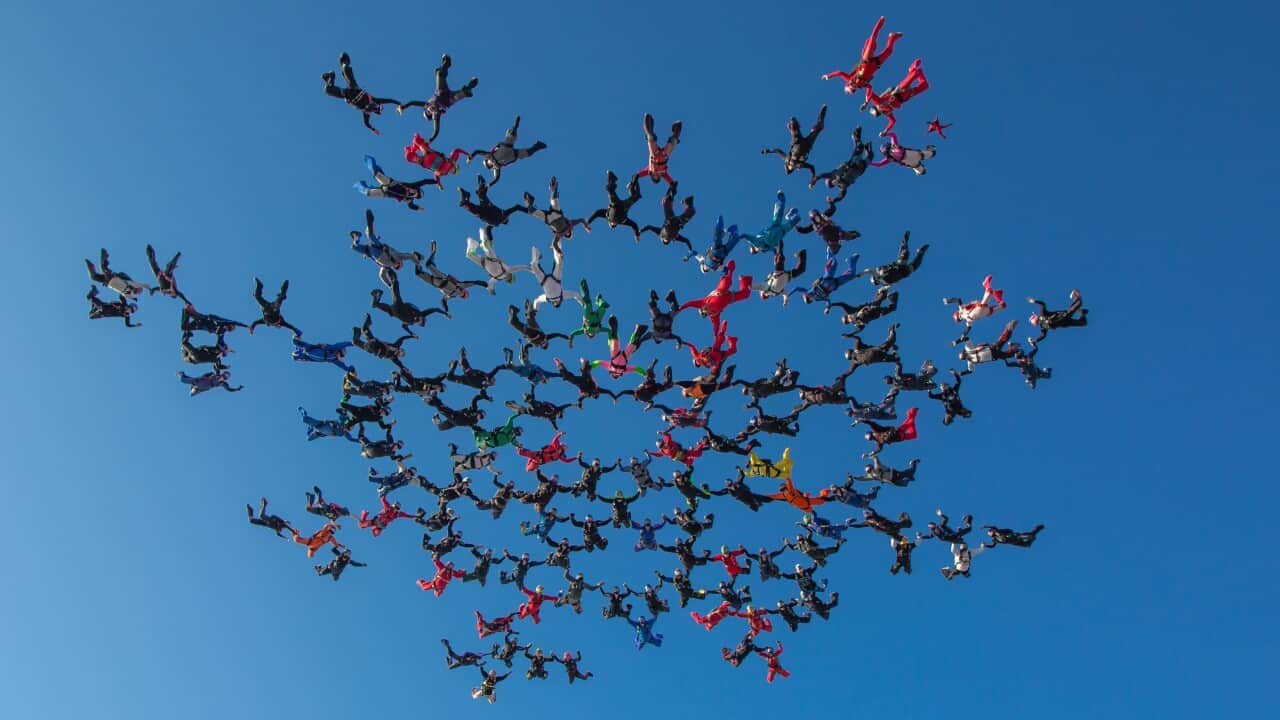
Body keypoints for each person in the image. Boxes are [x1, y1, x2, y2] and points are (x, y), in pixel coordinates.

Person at [398, 53, 478, 142]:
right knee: (463, 92)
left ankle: (446, 64)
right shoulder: (435, 115)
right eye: (429, 113)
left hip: (441, 92)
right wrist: (430, 139)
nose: (430, 111)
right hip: (449, 99)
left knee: (440, 74)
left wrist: (403, 107)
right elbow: (436, 130)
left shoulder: (427, 105)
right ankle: (470, 86)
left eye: (428, 112)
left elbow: (413, 103)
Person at [821, 16, 903, 95]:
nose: (853, 86)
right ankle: (892, 37)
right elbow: (870, 88)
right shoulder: (862, 85)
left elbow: (839, 73)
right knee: (889, 52)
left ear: (848, 84)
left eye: (851, 86)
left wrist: (828, 76)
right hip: (875, 64)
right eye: (853, 89)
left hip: (866, 60)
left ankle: (880, 21)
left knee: (872, 39)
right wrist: (866, 101)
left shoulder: (849, 78)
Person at [322, 52, 398, 135]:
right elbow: (390, 100)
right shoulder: (374, 100)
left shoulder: (366, 112)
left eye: (377, 108)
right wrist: (400, 104)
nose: (375, 106)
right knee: (347, 73)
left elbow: (366, 124)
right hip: (353, 88)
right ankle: (344, 63)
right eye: (377, 106)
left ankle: (331, 76)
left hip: (346, 94)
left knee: (327, 90)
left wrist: (373, 129)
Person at [413, 239, 488, 310]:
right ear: (464, 291)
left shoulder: (451, 296)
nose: (462, 294)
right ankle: (433, 251)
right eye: (464, 294)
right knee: (428, 265)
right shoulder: (460, 286)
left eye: (463, 296)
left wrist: (446, 311)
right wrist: (486, 285)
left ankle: (418, 260)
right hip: (442, 278)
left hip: (435, 284)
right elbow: (475, 282)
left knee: (418, 273)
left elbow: (443, 301)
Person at [471, 115, 547, 185]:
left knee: (512, 135)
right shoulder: (496, 167)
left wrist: (471, 156)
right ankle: (537, 145)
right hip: (513, 154)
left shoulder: (490, 156)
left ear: (487, 161)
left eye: (488, 163)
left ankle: (515, 126)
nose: (489, 163)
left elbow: (478, 152)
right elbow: (496, 178)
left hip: (506, 147)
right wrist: (489, 185)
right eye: (488, 165)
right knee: (528, 153)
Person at [862, 58, 929, 136]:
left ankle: (912, 69)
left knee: (914, 74)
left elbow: (870, 92)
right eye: (877, 113)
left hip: (900, 90)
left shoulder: (878, 102)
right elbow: (893, 121)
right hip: (906, 96)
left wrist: (866, 103)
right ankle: (916, 71)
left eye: (876, 110)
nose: (879, 111)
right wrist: (885, 131)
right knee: (925, 85)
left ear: (875, 107)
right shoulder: (886, 112)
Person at [760, 105, 827, 183]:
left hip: (798, 143)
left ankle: (793, 124)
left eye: (789, 166)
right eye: (790, 167)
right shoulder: (798, 165)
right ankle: (822, 111)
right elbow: (812, 167)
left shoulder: (787, 159)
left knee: (794, 126)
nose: (790, 166)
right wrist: (812, 179)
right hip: (806, 145)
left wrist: (768, 151)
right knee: (819, 127)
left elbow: (777, 151)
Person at [812, 126, 875, 201]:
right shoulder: (841, 185)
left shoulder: (833, 175)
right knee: (870, 156)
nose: (833, 181)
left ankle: (855, 136)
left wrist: (813, 181)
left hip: (854, 164)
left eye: (831, 181)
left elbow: (820, 176)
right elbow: (841, 195)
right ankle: (865, 148)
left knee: (860, 147)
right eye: (832, 183)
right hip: (860, 168)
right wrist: (834, 201)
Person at [354, 155, 438, 212]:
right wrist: (436, 181)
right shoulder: (413, 186)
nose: (415, 194)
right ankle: (369, 159)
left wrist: (419, 208)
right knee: (376, 174)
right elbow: (424, 182)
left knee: (368, 193)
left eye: (417, 196)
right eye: (417, 192)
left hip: (385, 193)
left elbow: (411, 206)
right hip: (389, 184)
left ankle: (359, 184)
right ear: (418, 190)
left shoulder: (409, 199)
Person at [371, 275, 448, 334]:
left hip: (392, 311)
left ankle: (378, 295)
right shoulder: (422, 314)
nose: (420, 320)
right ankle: (393, 280)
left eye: (420, 322)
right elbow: (434, 309)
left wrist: (411, 333)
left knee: (375, 305)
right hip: (399, 305)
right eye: (422, 320)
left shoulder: (411, 323)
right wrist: (445, 313)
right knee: (395, 291)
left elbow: (403, 326)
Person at [943, 275, 1007, 345]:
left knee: (998, 302)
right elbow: (958, 300)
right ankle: (993, 291)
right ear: (958, 315)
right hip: (980, 311)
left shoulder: (965, 317)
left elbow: (965, 332)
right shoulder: (963, 313)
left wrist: (956, 341)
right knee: (997, 301)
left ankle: (991, 290)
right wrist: (948, 301)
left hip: (982, 311)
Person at [524, 176, 591, 243]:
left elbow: (554, 244)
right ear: (570, 231)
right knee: (554, 199)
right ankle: (553, 189)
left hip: (549, 219)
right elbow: (581, 220)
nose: (566, 233)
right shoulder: (570, 224)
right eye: (568, 233)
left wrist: (558, 250)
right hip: (557, 214)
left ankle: (530, 201)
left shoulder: (559, 235)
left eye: (566, 235)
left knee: (531, 211)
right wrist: (586, 226)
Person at [680, 259, 752, 321]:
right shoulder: (714, 314)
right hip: (729, 298)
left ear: (702, 308)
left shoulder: (702, 302)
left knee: (728, 282)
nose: (707, 312)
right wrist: (716, 335)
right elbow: (716, 324)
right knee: (745, 295)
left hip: (721, 289)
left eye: (704, 312)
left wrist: (679, 309)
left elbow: (689, 304)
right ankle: (743, 279)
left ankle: (729, 270)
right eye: (706, 314)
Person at [465, 226, 530, 293]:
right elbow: (520, 267)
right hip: (492, 258)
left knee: (469, 255)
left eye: (507, 281)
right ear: (511, 276)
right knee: (486, 245)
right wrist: (530, 269)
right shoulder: (509, 270)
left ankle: (473, 243)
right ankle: (482, 233)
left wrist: (491, 290)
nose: (507, 280)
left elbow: (490, 284)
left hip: (484, 263)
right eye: (509, 279)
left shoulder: (497, 279)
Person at [639, 181, 697, 253]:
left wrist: (640, 231)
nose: (667, 240)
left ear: (662, 239)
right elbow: (686, 241)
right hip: (678, 222)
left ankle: (672, 191)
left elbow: (649, 227)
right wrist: (690, 250)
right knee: (692, 212)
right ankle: (688, 202)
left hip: (669, 219)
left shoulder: (660, 232)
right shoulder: (675, 237)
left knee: (665, 202)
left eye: (665, 240)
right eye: (667, 241)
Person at [586, 170, 644, 241]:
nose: (613, 223)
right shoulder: (623, 222)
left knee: (610, 190)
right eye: (614, 225)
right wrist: (637, 235)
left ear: (609, 222)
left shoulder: (607, 215)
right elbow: (634, 225)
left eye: (611, 224)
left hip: (615, 204)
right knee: (637, 196)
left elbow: (597, 213)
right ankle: (633, 183)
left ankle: (612, 177)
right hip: (623, 207)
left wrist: (587, 222)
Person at [790, 248, 859, 306]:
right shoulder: (817, 299)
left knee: (834, 262)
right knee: (851, 275)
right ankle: (852, 260)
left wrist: (788, 295)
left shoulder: (807, 292)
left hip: (827, 278)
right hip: (835, 284)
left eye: (807, 298)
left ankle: (829, 254)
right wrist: (828, 307)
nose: (810, 298)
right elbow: (827, 300)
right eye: (810, 300)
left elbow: (796, 288)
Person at [527, 237, 582, 309]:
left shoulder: (548, 299)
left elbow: (537, 300)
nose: (556, 302)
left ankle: (538, 256)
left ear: (552, 304)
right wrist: (583, 303)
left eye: (555, 304)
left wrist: (534, 311)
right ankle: (557, 243)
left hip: (544, 281)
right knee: (559, 262)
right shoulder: (562, 296)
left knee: (533, 266)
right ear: (560, 302)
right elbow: (575, 294)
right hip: (556, 279)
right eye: (558, 303)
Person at [458, 174, 528, 231]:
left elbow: (516, 207)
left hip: (484, 211)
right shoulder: (500, 219)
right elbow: (516, 207)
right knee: (480, 196)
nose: (506, 218)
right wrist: (527, 210)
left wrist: (527, 210)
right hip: (485, 209)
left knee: (476, 200)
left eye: (506, 219)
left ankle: (466, 196)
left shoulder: (502, 217)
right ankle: (480, 185)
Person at [860, 230, 929, 286]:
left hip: (900, 268)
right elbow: (869, 272)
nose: (878, 281)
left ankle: (914, 248)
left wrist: (860, 274)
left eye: (876, 280)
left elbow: (869, 271)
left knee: (907, 256)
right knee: (913, 262)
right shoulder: (884, 280)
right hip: (903, 271)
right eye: (877, 282)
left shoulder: (880, 273)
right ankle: (919, 251)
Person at [742, 190, 801, 255]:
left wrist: (741, 236)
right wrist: (776, 254)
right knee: (796, 218)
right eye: (755, 251)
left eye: (754, 248)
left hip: (773, 227)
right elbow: (773, 249)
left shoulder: (757, 241)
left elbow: (749, 238)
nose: (756, 248)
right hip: (781, 231)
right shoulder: (766, 248)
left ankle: (781, 199)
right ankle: (790, 215)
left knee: (779, 211)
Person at [591, 315, 650, 379]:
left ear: (611, 374)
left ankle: (614, 329)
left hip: (615, 356)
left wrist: (590, 366)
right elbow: (635, 369)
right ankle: (639, 332)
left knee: (615, 343)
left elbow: (599, 362)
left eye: (613, 375)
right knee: (632, 346)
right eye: (616, 376)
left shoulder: (609, 367)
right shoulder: (624, 371)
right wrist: (644, 373)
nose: (616, 375)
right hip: (624, 357)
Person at [795, 202, 860, 254]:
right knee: (834, 252)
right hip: (830, 240)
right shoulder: (813, 226)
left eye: (817, 216)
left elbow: (832, 209)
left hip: (837, 232)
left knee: (850, 236)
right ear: (813, 219)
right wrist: (795, 226)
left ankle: (854, 234)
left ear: (819, 215)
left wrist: (831, 203)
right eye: (815, 218)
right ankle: (840, 242)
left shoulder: (824, 216)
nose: (817, 218)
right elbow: (804, 230)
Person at [554, 357, 621, 407]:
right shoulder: (597, 389)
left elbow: (580, 399)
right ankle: (584, 363)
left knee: (567, 377)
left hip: (579, 382)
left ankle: (559, 364)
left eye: (593, 395)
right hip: (586, 378)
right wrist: (614, 398)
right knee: (586, 369)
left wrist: (580, 405)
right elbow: (608, 392)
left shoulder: (587, 394)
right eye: (595, 394)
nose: (594, 394)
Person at [636, 112, 682, 184]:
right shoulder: (663, 174)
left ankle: (648, 120)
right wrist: (672, 184)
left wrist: (636, 177)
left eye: (655, 177)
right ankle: (676, 131)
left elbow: (640, 174)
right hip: (664, 155)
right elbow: (669, 179)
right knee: (673, 141)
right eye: (658, 177)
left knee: (650, 138)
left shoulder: (649, 171)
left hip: (654, 155)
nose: (657, 175)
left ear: (652, 176)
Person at [85, 248, 149, 297]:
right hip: (112, 278)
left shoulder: (127, 293)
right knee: (102, 267)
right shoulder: (131, 283)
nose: (135, 292)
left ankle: (90, 265)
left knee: (93, 277)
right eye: (136, 290)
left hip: (108, 283)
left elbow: (121, 294)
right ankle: (105, 254)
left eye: (136, 292)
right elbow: (123, 276)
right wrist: (148, 288)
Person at [829, 286, 898, 332]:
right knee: (886, 307)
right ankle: (887, 294)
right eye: (848, 322)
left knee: (879, 301)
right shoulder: (856, 323)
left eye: (847, 319)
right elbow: (859, 329)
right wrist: (850, 334)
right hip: (875, 314)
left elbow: (842, 304)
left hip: (870, 308)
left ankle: (883, 292)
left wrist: (831, 305)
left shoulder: (850, 312)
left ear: (847, 316)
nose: (849, 320)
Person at [403, 134, 469, 179]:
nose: (451, 170)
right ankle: (413, 147)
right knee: (418, 142)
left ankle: (410, 149)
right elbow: (457, 150)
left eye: (453, 172)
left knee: (414, 155)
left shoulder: (444, 173)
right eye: (454, 170)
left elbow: (436, 176)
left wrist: (439, 184)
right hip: (429, 155)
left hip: (427, 161)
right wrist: (468, 155)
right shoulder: (451, 162)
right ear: (454, 166)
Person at [871, 132, 936, 175]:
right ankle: (930, 152)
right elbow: (893, 135)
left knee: (921, 170)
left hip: (912, 162)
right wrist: (885, 134)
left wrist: (868, 162)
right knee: (928, 154)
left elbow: (879, 164)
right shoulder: (894, 147)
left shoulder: (889, 157)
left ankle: (920, 169)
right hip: (914, 155)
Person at [177, 369, 241, 395]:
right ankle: (182, 375)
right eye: (223, 376)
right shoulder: (216, 375)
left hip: (205, 387)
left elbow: (229, 389)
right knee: (184, 380)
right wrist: (202, 377)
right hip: (202, 381)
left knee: (191, 394)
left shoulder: (223, 383)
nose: (222, 378)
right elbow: (207, 374)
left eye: (224, 378)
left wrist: (237, 389)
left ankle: (195, 388)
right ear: (222, 374)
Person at [981, 524, 1045, 549]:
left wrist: (985, 527)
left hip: (1014, 536)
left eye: (990, 532)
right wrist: (986, 545)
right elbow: (992, 546)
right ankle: (1033, 537)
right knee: (1027, 545)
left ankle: (1036, 529)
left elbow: (994, 527)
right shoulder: (995, 540)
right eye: (989, 534)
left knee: (1029, 536)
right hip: (1014, 543)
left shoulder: (997, 531)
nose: (990, 533)